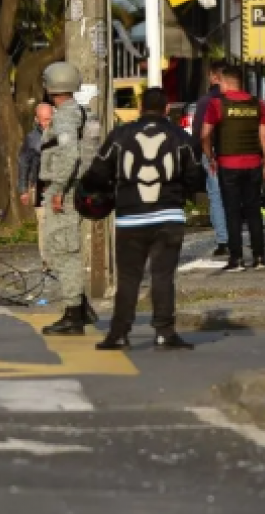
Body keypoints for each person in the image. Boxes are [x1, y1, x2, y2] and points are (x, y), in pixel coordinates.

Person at [82, 87, 205, 351]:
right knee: (163, 276)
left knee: (129, 278)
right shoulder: (182, 138)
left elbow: (96, 173)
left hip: (131, 217)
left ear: (140, 107)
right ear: (167, 108)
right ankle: (164, 332)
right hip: (169, 217)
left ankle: (119, 333)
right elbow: (196, 178)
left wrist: (104, 194)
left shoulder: (119, 136)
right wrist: (180, 192)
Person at [201, 62, 265, 272]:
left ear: (225, 82)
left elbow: (204, 135)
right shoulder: (257, 104)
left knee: (232, 211)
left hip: (228, 164)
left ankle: (237, 259)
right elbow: (264, 137)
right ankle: (260, 257)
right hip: (253, 163)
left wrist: (210, 157)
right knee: (253, 210)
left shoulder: (216, 105)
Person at [38, 62, 95, 334]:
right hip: (75, 187)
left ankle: (73, 314)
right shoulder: (82, 112)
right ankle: (81, 307)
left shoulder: (64, 116)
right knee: (61, 248)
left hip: (66, 191)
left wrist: (59, 188)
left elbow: (69, 153)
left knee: (62, 252)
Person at [194, 63, 228, 258]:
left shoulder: (206, 101)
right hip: (237, 153)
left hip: (212, 153)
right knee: (234, 195)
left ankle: (223, 241)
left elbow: (200, 133)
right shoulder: (241, 99)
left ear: (213, 76)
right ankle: (237, 239)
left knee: (216, 196)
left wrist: (206, 155)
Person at [18, 102, 55, 270]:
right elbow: (23, 164)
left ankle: (59, 257)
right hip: (39, 185)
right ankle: (46, 259)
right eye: (45, 119)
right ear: (37, 120)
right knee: (44, 222)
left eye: (50, 118)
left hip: (59, 184)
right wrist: (23, 189)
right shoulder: (32, 139)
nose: (48, 122)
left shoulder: (63, 134)